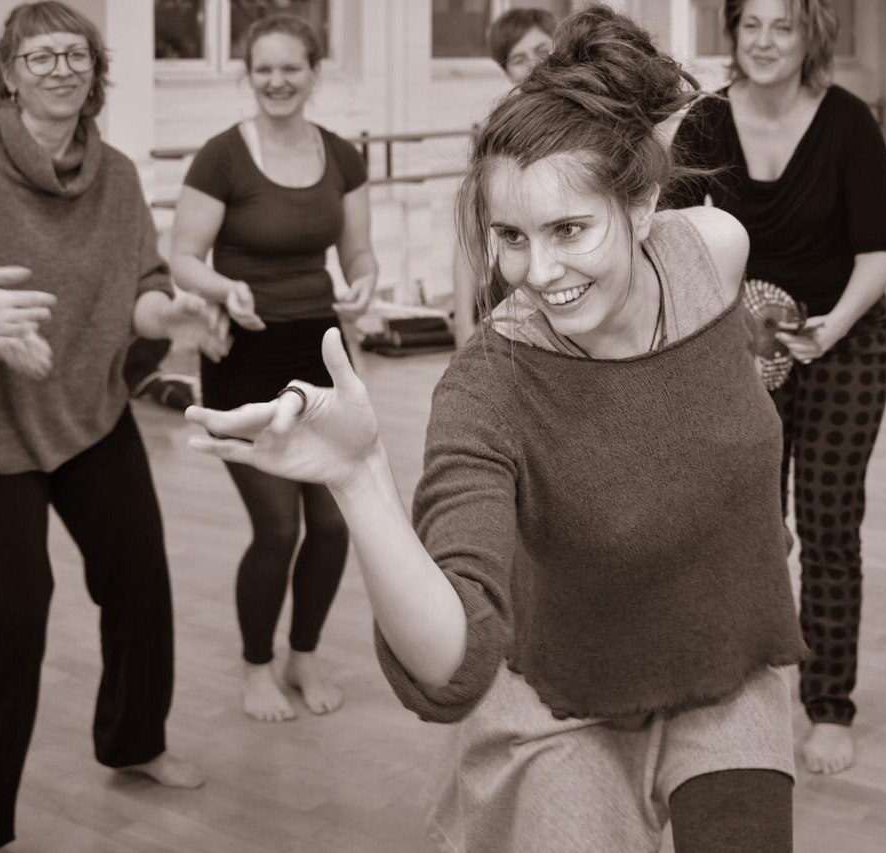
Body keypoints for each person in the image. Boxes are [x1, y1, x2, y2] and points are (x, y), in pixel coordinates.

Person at [187, 6, 808, 850]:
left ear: (642, 204)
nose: (538, 271)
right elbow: (452, 658)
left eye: (570, 229)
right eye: (511, 237)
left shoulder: (713, 251)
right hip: (564, 696)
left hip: (726, 660)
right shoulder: (489, 386)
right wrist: (359, 479)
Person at [0, 3, 226, 849]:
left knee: (139, 578)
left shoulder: (115, 175)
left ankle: (134, 739)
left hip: (89, 410)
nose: (60, 69)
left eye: (75, 55)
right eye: (39, 57)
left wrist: (171, 313)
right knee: (10, 615)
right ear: (9, 76)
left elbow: (141, 286)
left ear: (95, 72)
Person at [666, 0, 886, 774]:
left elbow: (879, 248)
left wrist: (830, 327)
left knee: (828, 525)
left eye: (784, 26)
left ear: (810, 38)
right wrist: (718, 321)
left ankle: (829, 706)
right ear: (733, 34)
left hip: (845, 338)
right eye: (752, 25)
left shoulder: (848, 123)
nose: (765, 41)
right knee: (749, 524)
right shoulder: (706, 121)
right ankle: (744, 687)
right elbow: (667, 234)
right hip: (744, 349)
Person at [170, 13, 378, 722]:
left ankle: (304, 654)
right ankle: (256, 666)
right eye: (264, 69)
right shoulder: (222, 157)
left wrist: (365, 279)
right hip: (245, 356)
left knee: (333, 524)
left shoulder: (342, 156)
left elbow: (358, 252)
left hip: (317, 351)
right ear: (248, 75)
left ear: (315, 73)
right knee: (278, 527)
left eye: (291, 68)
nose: (277, 81)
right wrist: (222, 287)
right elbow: (183, 258)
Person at [451, 8, 557, 348]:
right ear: (506, 70)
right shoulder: (499, 132)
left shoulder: (593, 114)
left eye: (542, 50)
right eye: (519, 59)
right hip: (514, 294)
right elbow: (470, 237)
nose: (535, 65)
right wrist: (462, 323)